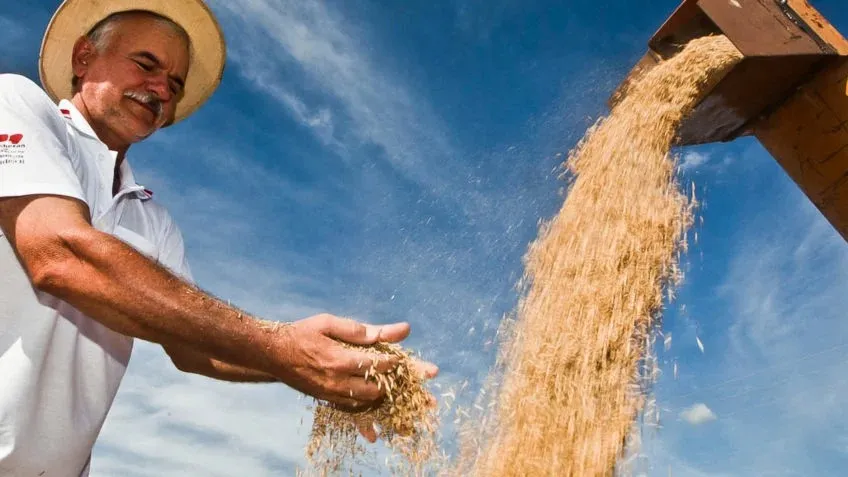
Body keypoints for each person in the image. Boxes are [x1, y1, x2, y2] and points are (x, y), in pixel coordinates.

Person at [0, 1, 438, 475]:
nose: (160, 89)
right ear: (83, 57)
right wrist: (283, 348)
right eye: (146, 64)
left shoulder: (153, 220)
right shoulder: (16, 104)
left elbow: (196, 347)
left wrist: (322, 368)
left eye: (174, 84)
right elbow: (60, 255)